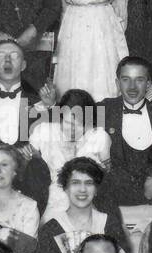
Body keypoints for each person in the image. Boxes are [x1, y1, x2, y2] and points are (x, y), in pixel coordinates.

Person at [0, 41, 54, 206]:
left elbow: (55, 140)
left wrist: (50, 107)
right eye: (1, 56)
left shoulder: (38, 99)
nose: (7, 60)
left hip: (25, 169)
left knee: (38, 171)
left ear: (23, 65)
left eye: (14, 56)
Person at [34, 157, 133, 253]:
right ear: (65, 188)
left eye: (89, 183)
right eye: (75, 183)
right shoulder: (50, 229)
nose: (82, 190)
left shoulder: (110, 223)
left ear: (97, 189)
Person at [26, 90, 112, 218]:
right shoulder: (44, 131)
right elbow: (26, 163)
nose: (71, 131)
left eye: (77, 125)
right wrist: (31, 157)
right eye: (66, 123)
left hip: (86, 205)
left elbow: (107, 179)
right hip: (52, 205)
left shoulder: (99, 137)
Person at [101, 57, 152, 207]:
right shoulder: (105, 108)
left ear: (148, 84)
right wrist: (50, 105)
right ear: (117, 83)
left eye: (139, 80)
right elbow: (68, 116)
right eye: (126, 80)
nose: (132, 87)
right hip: (112, 202)